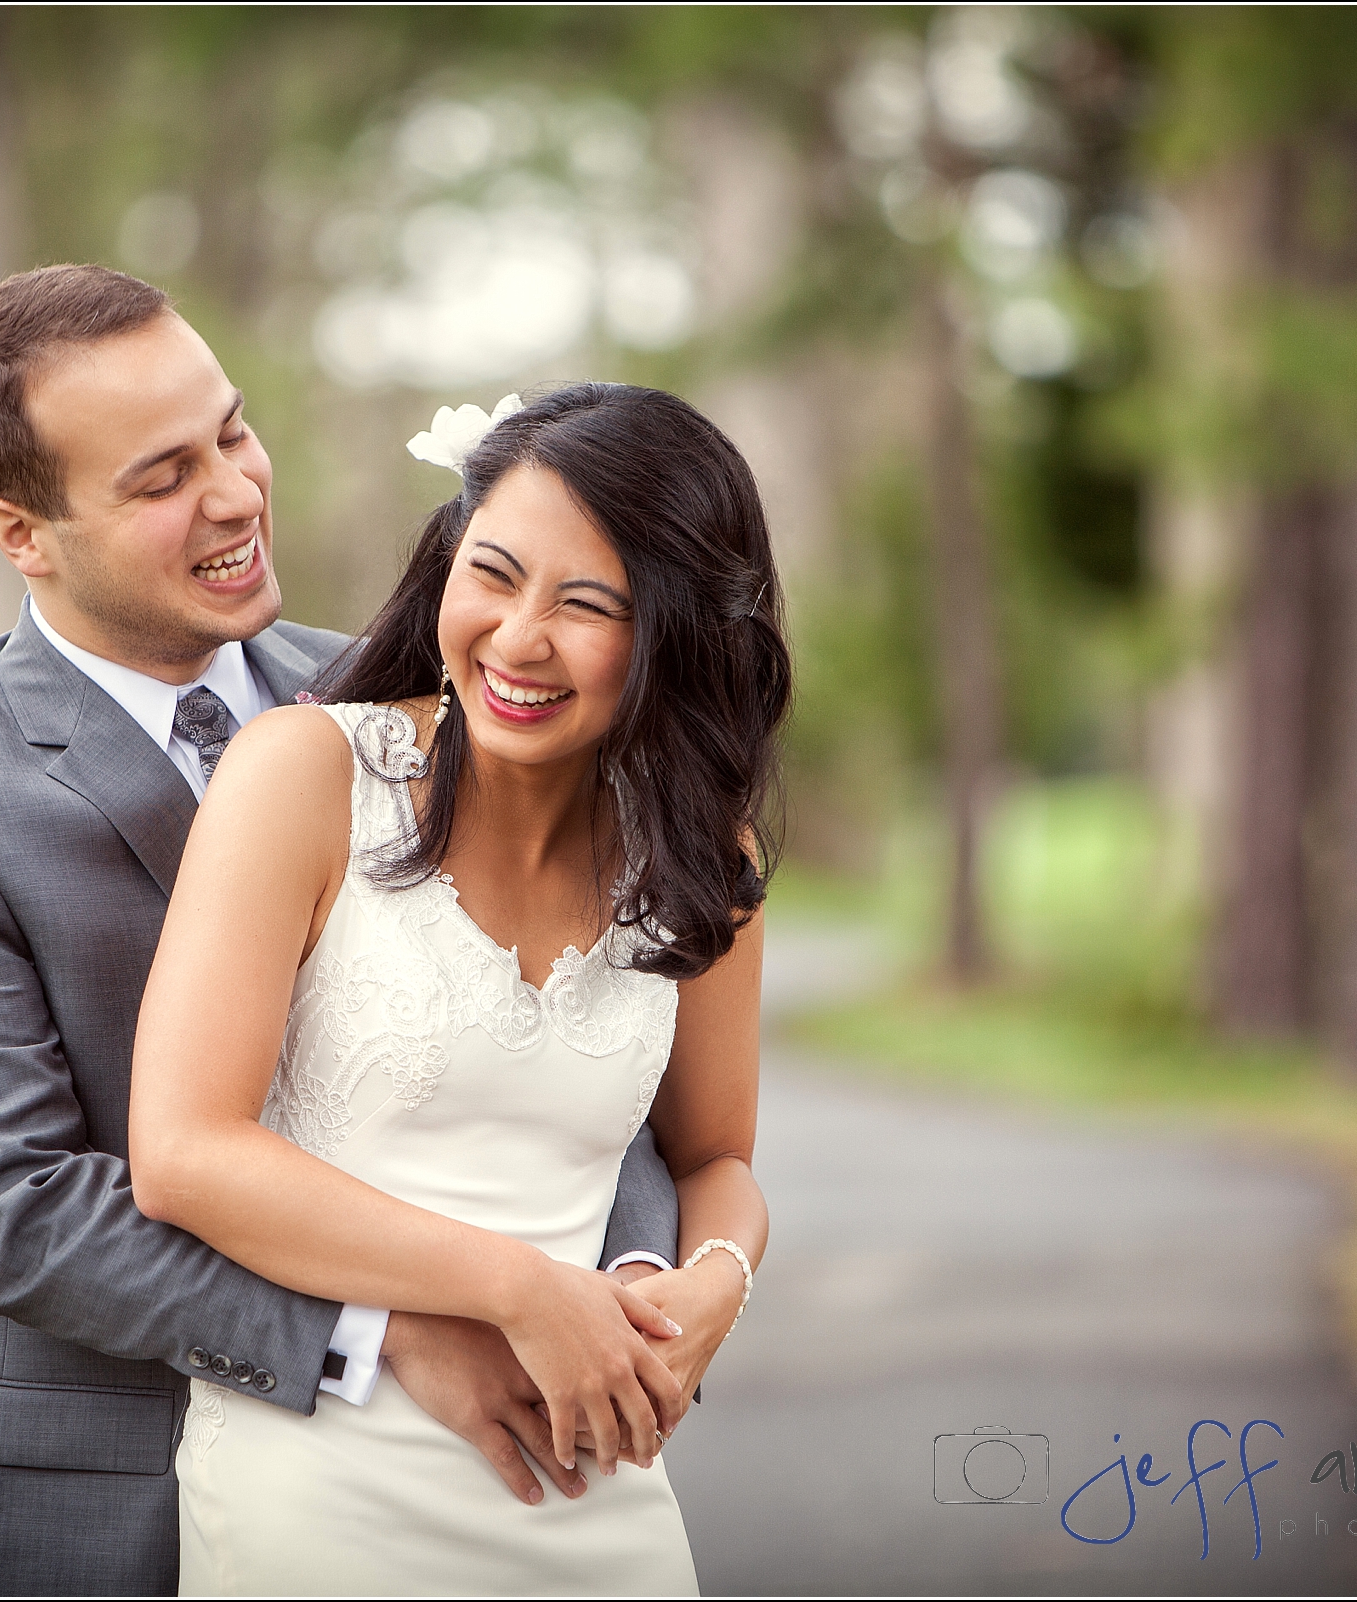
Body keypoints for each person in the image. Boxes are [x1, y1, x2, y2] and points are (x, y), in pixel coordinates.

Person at [0, 265, 688, 1597]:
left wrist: (629, 1285)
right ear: (21, 530)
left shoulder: (417, 699)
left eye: (231, 430)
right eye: (160, 477)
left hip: (467, 1485)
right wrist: (383, 1331)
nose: (232, 493)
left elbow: (569, 1027)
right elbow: (14, 1207)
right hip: (93, 1502)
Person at [127, 381, 788, 1595]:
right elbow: (183, 1151)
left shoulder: (703, 859)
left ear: (676, 637)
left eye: (587, 606)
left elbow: (714, 1164)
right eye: (492, 573)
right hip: (324, 1471)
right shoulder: (303, 776)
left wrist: (713, 1288)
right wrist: (516, 1287)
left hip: (594, 1477)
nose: (516, 638)